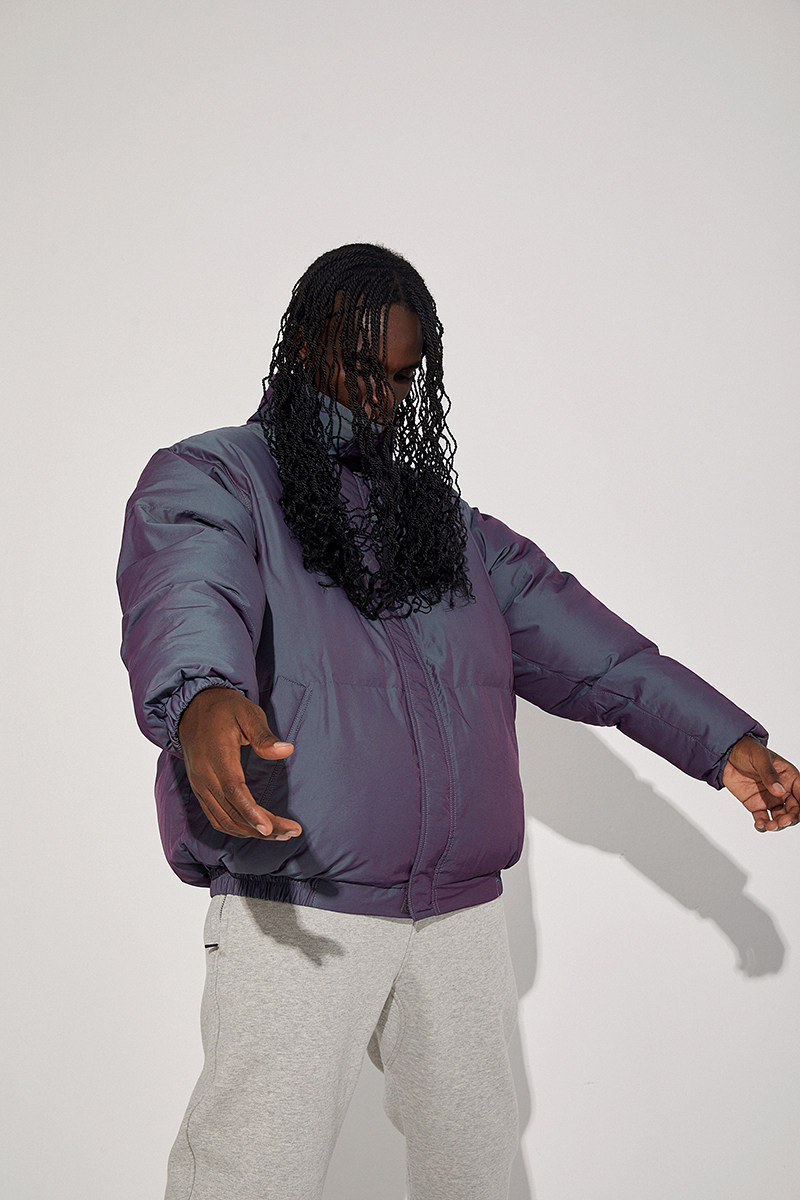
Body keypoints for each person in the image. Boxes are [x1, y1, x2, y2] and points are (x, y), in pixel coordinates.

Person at [116, 242, 799, 1200]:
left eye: (403, 378)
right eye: (361, 367)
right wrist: (200, 693)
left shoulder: (448, 526)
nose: (381, 397)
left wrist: (723, 741)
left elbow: (602, 657)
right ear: (304, 342)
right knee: (252, 1170)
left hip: (458, 915)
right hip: (299, 896)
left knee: (475, 1170)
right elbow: (188, 590)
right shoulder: (215, 477)